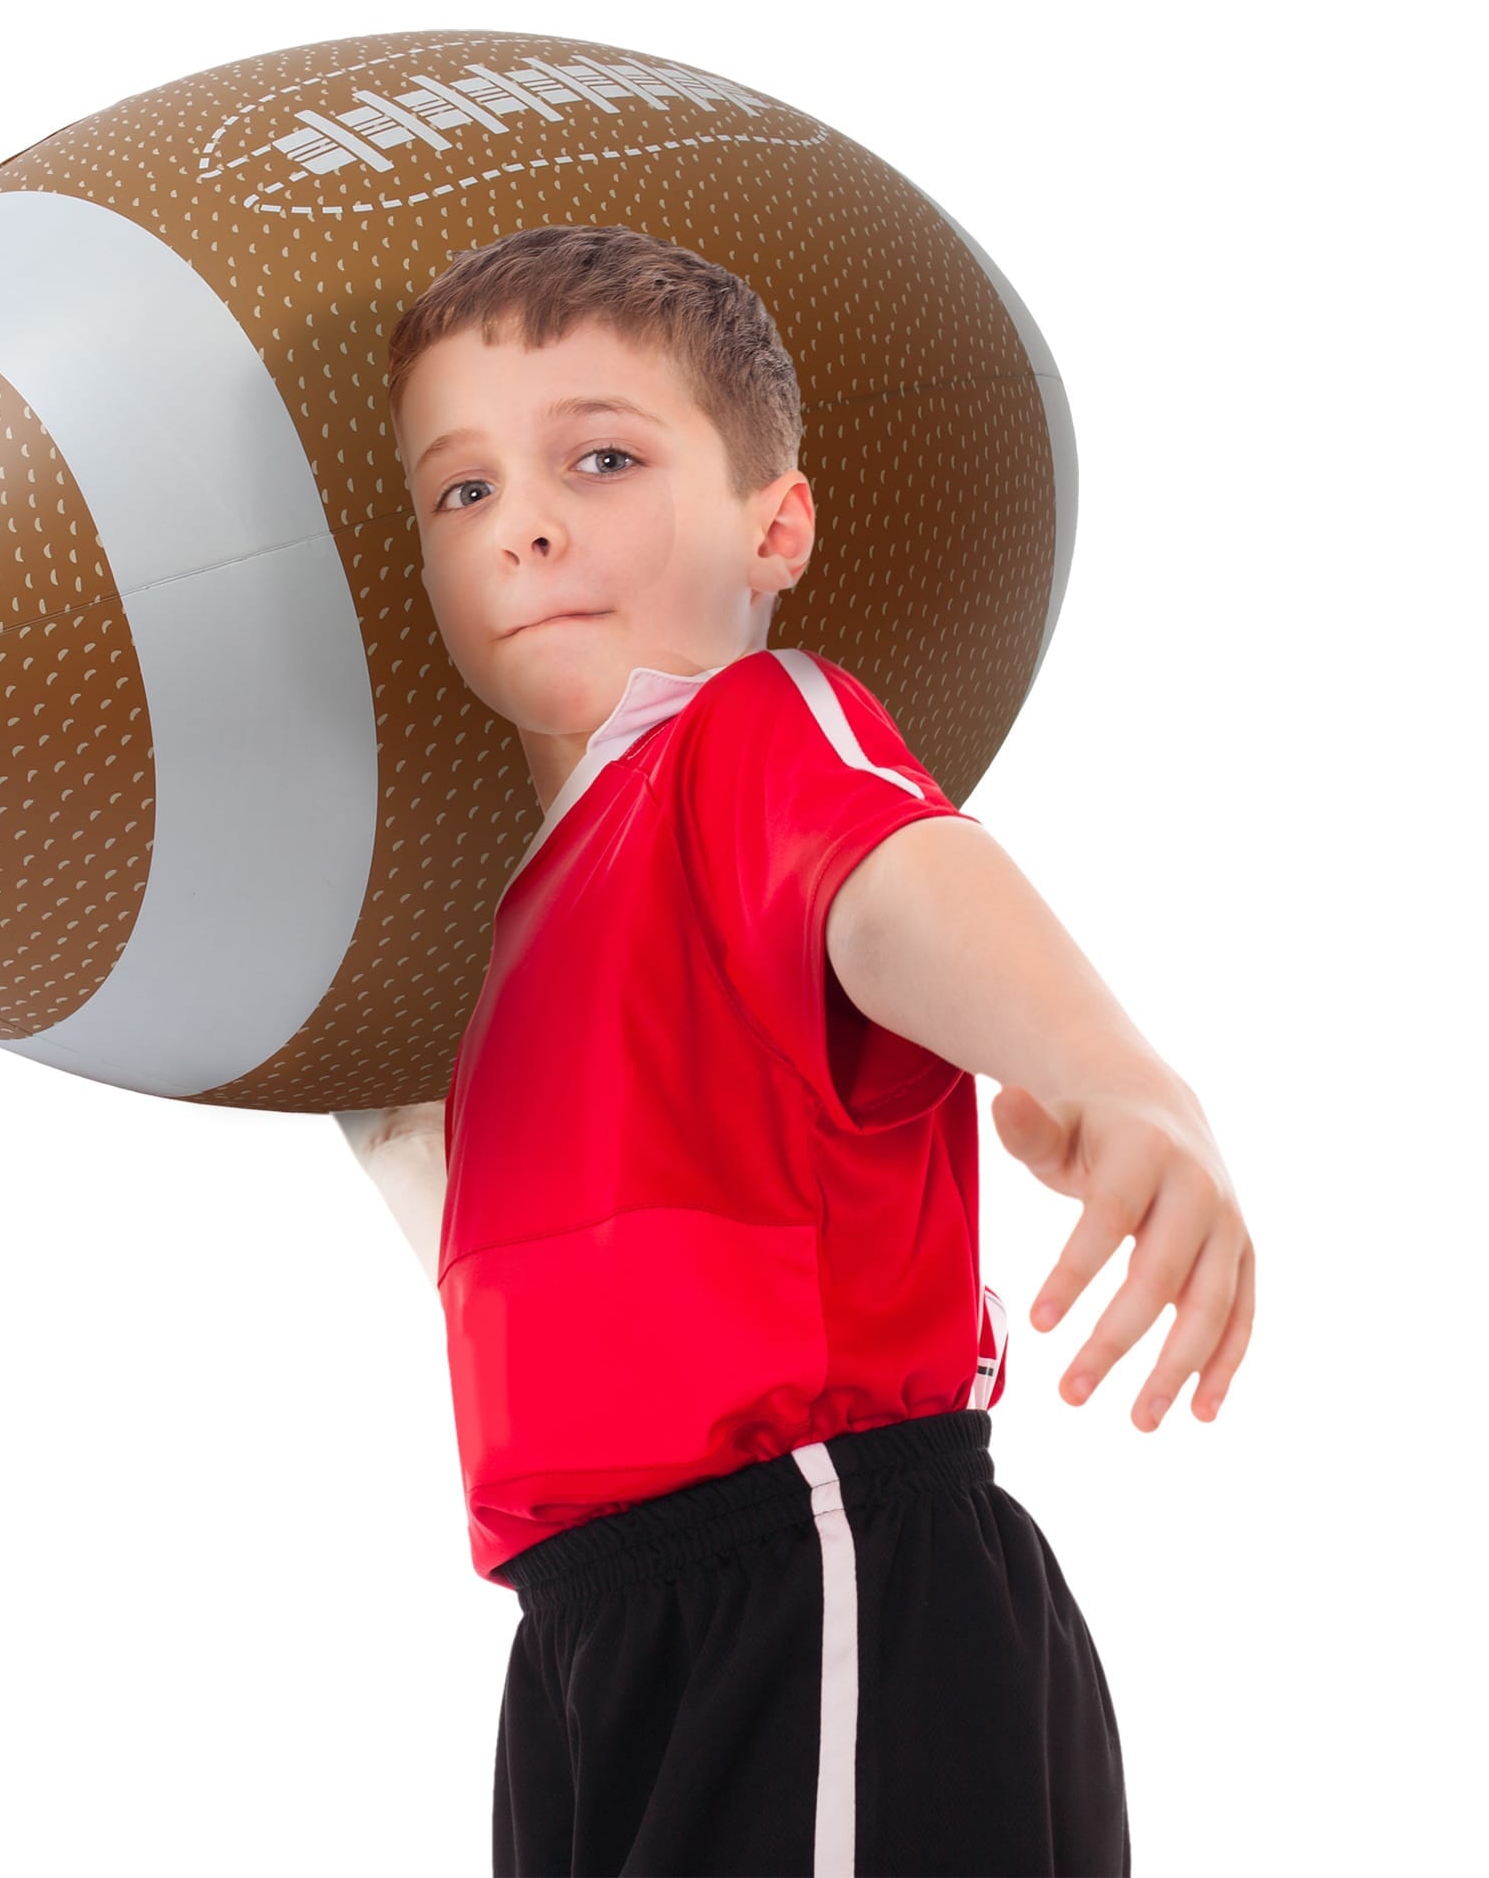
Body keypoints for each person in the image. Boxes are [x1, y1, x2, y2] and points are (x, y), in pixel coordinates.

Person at [336, 224, 1254, 1876]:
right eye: (459, 492)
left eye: (600, 456)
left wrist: (1115, 1075)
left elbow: (896, 873)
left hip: (814, 1569)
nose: (526, 520)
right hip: (584, 1628)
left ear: (777, 525)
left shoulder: (749, 736)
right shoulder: (519, 934)